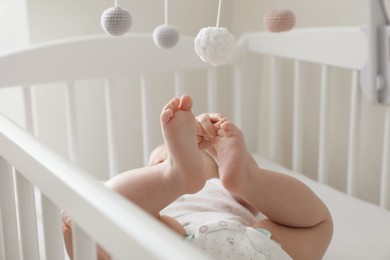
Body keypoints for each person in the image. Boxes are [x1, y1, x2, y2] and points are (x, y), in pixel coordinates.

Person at [63, 95, 333, 260]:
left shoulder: (214, 191)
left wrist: (79, 237)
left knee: (114, 207)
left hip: (176, 244)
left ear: (214, 171)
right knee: (317, 224)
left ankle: (173, 176)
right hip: (250, 245)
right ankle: (250, 178)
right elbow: (270, 204)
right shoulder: (228, 194)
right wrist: (247, 181)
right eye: (159, 162)